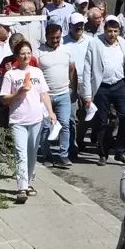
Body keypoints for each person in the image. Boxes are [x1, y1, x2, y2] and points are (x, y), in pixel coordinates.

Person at [0, 40, 55, 202]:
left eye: (28, 53)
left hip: (36, 119)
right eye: (22, 53)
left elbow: (44, 94)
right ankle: (21, 187)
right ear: (16, 56)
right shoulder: (11, 74)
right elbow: (4, 100)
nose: (25, 56)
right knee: (20, 154)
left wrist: (51, 113)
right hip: (18, 120)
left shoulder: (37, 72)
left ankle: (28, 182)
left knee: (32, 154)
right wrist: (19, 92)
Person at [82, 17, 125, 165]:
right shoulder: (95, 44)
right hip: (102, 87)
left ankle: (120, 151)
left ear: (119, 32)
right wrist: (87, 94)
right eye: (109, 31)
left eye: (115, 31)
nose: (112, 34)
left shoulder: (123, 43)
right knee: (101, 121)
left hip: (120, 85)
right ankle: (103, 154)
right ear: (104, 30)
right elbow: (87, 70)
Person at [36, 21, 75, 168]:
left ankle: (63, 155)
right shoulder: (38, 52)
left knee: (65, 124)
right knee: (45, 126)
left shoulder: (66, 50)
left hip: (63, 93)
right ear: (46, 36)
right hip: (45, 96)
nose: (55, 40)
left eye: (58, 37)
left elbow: (72, 69)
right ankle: (46, 154)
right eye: (52, 38)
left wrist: (74, 90)